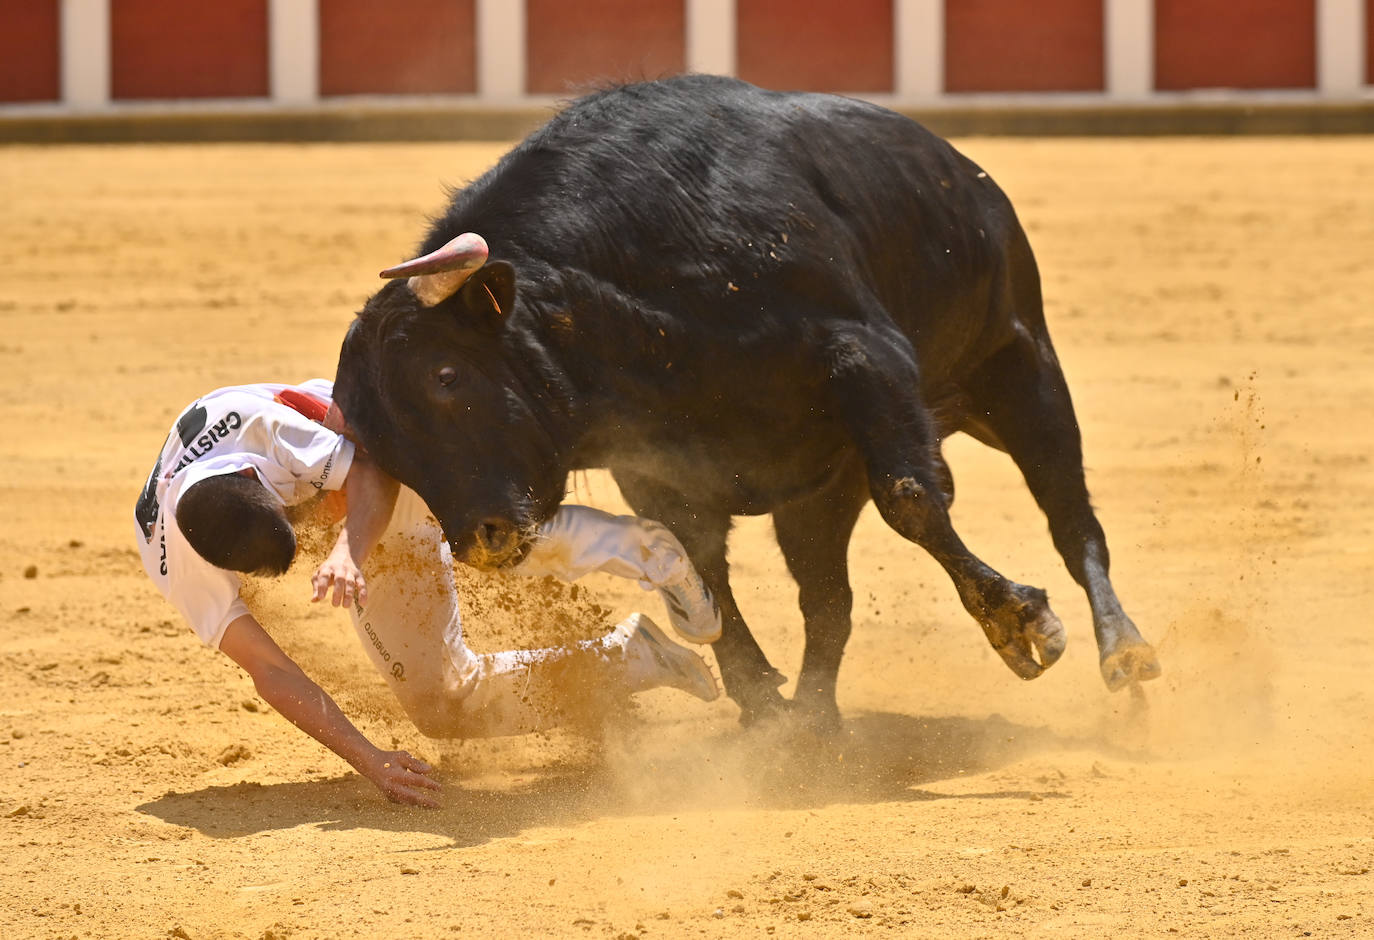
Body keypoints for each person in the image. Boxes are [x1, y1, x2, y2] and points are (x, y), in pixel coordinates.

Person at [134, 379, 722, 807]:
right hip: (341, 510)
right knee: (442, 706)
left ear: (254, 479)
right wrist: (371, 762)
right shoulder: (179, 565)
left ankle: (645, 551)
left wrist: (347, 551)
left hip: (379, 460)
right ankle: (633, 657)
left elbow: (373, 470)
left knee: (484, 533)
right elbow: (271, 670)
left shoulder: (266, 435)